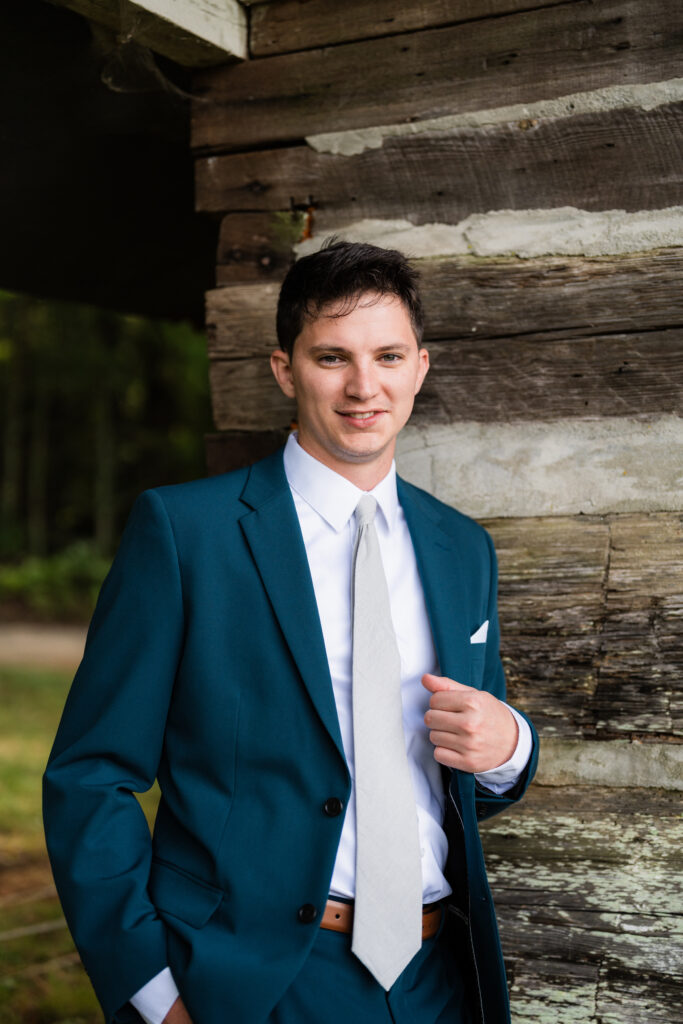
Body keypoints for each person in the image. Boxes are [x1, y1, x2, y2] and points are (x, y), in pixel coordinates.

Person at [43, 241, 538, 1024]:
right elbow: (90, 777)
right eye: (331, 356)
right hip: (253, 982)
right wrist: (151, 990)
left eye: (388, 355)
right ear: (284, 369)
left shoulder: (461, 547)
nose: (363, 385)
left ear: (420, 367)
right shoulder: (185, 533)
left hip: (438, 980)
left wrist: (509, 746)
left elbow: (457, 772)